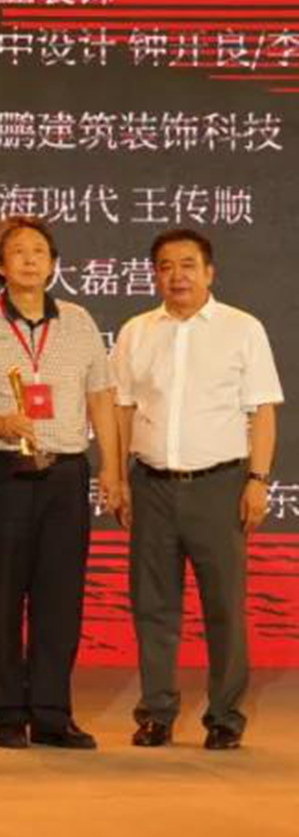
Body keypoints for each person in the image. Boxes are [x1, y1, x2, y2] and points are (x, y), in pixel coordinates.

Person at [0, 215, 123, 749]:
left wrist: (111, 468)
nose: (29, 260)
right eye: (18, 251)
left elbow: (101, 396)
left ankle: (51, 713)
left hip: (65, 472)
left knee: (60, 597)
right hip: (1, 472)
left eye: (39, 251)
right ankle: (4, 713)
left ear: (53, 264)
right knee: (2, 595)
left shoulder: (80, 322)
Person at [110, 228, 281, 750]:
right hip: (151, 485)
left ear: (209, 272)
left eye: (188, 264)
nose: (177, 275)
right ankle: (156, 714)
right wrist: (117, 477)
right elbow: (122, 408)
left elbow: (262, 411)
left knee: (223, 607)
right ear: (154, 275)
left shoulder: (242, 328)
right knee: (153, 606)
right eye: (165, 266)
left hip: (219, 486)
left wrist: (257, 480)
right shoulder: (136, 331)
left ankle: (225, 717)